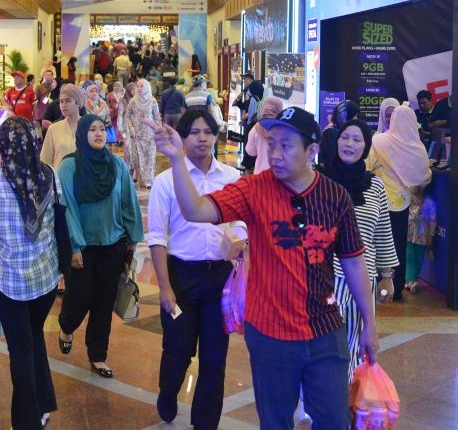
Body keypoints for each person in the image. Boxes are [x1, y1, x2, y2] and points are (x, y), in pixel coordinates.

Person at [147, 107, 378, 429]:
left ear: (311, 151)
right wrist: (175, 159)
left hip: (325, 331)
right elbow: (196, 209)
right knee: (274, 421)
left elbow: (353, 261)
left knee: (334, 418)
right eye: (271, 144)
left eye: (285, 145)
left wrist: (369, 322)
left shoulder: (335, 196)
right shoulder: (253, 189)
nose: (275, 153)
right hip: (270, 333)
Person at [147, 110, 245, 427]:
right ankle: (168, 391)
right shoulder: (166, 181)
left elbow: (242, 222)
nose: (202, 138)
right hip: (181, 277)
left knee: (215, 358)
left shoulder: (230, 178)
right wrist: (164, 287)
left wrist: (240, 241)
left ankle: (205, 422)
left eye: (208, 131)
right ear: (182, 137)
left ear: (216, 136)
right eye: (194, 132)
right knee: (178, 351)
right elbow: (157, 237)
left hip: (219, 279)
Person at [0, 117, 66, 429]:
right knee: (34, 335)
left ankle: (27, 420)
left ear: (2, 145)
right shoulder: (50, 177)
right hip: (46, 279)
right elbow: (60, 223)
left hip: (9, 283)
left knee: (20, 349)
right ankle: (43, 402)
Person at [57, 114, 143, 379]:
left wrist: (132, 239)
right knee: (79, 296)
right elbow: (67, 208)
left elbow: (129, 201)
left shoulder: (116, 165)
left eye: (101, 129)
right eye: (92, 129)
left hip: (113, 243)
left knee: (104, 301)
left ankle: (98, 355)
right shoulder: (70, 166)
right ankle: (66, 325)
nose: (98, 134)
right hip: (82, 246)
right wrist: (73, 246)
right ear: (82, 134)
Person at [318, 118, 398, 380]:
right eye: (345, 137)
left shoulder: (374, 185)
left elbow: (383, 231)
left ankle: (344, 399)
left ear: (366, 147)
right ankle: (319, 396)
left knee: (355, 342)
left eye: (357, 139)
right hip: (323, 276)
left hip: (362, 279)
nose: (349, 144)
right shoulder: (318, 178)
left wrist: (387, 275)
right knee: (323, 342)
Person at [367, 105, 432, 302]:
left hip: (379, 199)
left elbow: (367, 166)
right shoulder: (418, 147)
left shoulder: (379, 141)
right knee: (398, 244)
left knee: (378, 242)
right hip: (403, 202)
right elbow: (425, 176)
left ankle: (379, 283)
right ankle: (398, 285)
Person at [40, 84, 85, 170]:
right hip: (60, 180)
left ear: (78, 103)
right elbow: (45, 161)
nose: (63, 105)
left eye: (68, 101)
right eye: (61, 101)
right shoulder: (53, 129)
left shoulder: (89, 126)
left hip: (85, 180)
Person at [125, 79, 160, 188]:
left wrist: (159, 132)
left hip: (150, 135)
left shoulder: (153, 100)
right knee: (136, 158)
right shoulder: (133, 101)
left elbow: (157, 117)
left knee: (149, 158)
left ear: (147, 87)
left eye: (142, 86)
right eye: (138, 86)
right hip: (137, 135)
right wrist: (131, 129)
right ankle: (138, 173)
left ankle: (148, 180)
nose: (139, 88)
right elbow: (127, 116)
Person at [243, 95, 285, 174]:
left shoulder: (256, 127)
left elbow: (250, 151)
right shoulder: (285, 128)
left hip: (260, 173)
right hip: (280, 173)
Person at [319, 99, 360, 165]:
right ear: (345, 116)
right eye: (354, 116)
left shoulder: (342, 132)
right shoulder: (330, 133)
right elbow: (334, 159)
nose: (356, 119)